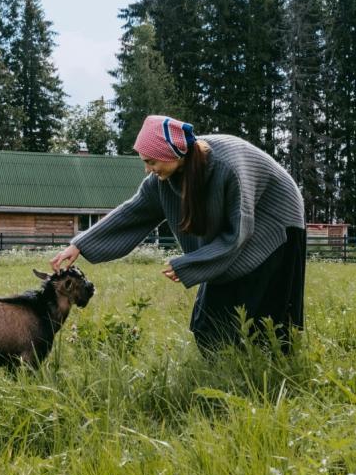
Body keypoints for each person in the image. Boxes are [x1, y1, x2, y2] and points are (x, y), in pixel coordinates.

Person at [51, 115, 306, 354]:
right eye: (144, 162)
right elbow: (133, 212)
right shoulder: (163, 180)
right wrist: (80, 245)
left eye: (151, 161)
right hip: (243, 226)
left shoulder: (227, 168)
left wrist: (190, 263)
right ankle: (226, 362)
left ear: (173, 153)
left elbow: (238, 234)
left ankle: (266, 364)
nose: (148, 170)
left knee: (261, 305)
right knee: (209, 322)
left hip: (275, 219)